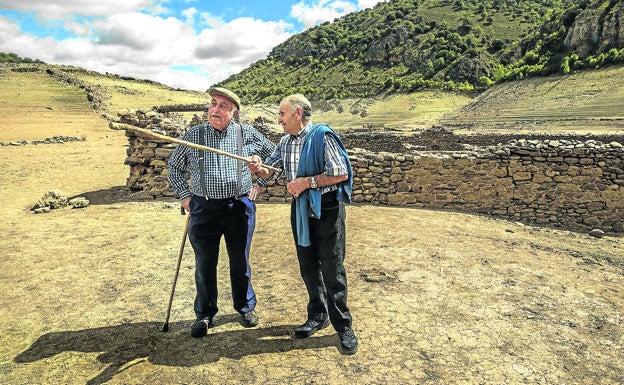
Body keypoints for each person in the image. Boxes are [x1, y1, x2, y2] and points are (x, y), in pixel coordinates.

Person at [248, 93, 358, 354]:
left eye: (282, 114)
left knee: (332, 268)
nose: (279, 120)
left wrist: (306, 182)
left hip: (327, 210)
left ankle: (343, 325)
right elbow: (270, 170)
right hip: (300, 210)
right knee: (308, 266)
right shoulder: (285, 142)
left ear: (298, 113)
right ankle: (317, 315)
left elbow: (340, 172)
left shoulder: (322, 136)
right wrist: (257, 168)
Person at [167, 87, 276, 338]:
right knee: (205, 264)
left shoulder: (246, 133)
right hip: (204, 209)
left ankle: (245, 307)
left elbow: (275, 161)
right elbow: (173, 168)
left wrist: (259, 179)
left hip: (239, 207)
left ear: (234, 113)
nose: (215, 109)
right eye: (213, 104)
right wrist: (185, 196)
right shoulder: (193, 135)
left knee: (240, 261)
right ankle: (204, 314)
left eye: (222, 106)